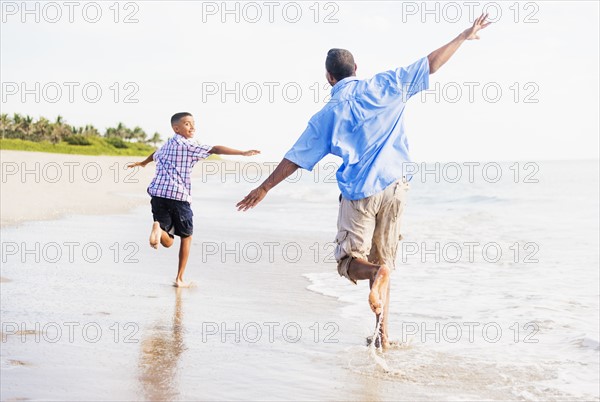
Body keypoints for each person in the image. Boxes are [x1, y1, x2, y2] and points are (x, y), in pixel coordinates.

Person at [237, 15, 492, 347]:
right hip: (396, 187)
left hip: (361, 192)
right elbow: (430, 64)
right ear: (356, 67)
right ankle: (383, 335)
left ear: (329, 77)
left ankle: (375, 290)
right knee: (384, 264)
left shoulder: (327, 114)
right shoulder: (387, 84)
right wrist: (462, 35)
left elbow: (295, 158)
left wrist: (264, 187)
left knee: (350, 262)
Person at [129, 112, 260, 287]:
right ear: (176, 128)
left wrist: (144, 163)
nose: (192, 127)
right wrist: (242, 153)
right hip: (178, 197)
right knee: (186, 236)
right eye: (187, 124)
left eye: (193, 124)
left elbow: (155, 154)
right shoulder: (189, 145)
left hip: (157, 195)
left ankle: (158, 229)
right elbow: (215, 149)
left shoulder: (167, 144)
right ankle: (179, 278)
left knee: (167, 240)